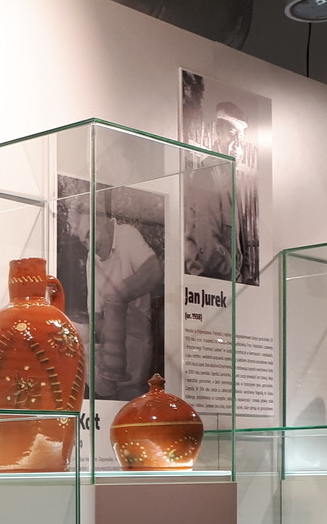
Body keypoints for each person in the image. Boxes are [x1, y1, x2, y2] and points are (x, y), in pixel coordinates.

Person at [75, 199, 163, 401]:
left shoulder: (126, 235)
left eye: (90, 235)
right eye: (84, 242)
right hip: (112, 341)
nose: (89, 246)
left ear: (102, 219)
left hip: (137, 339)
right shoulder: (91, 258)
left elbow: (154, 271)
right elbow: (96, 316)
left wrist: (117, 296)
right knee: (68, 336)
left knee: (125, 391)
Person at [184, 101, 244, 282]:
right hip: (211, 283)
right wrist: (238, 280)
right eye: (232, 134)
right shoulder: (209, 173)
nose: (237, 144)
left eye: (241, 136)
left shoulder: (228, 176)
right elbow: (210, 251)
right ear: (218, 133)